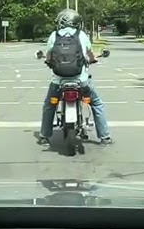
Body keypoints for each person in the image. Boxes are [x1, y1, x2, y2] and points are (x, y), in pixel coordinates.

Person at [38, 8, 111, 146]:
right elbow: (89, 54)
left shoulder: (54, 35)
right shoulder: (81, 35)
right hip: (81, 81)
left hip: (58, 82)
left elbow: (48, 55)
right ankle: (104, 137)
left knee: (49, 105)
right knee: (96, 103)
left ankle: (44, 136)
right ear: (77, 23)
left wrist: (48, 61)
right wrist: (93, 59)